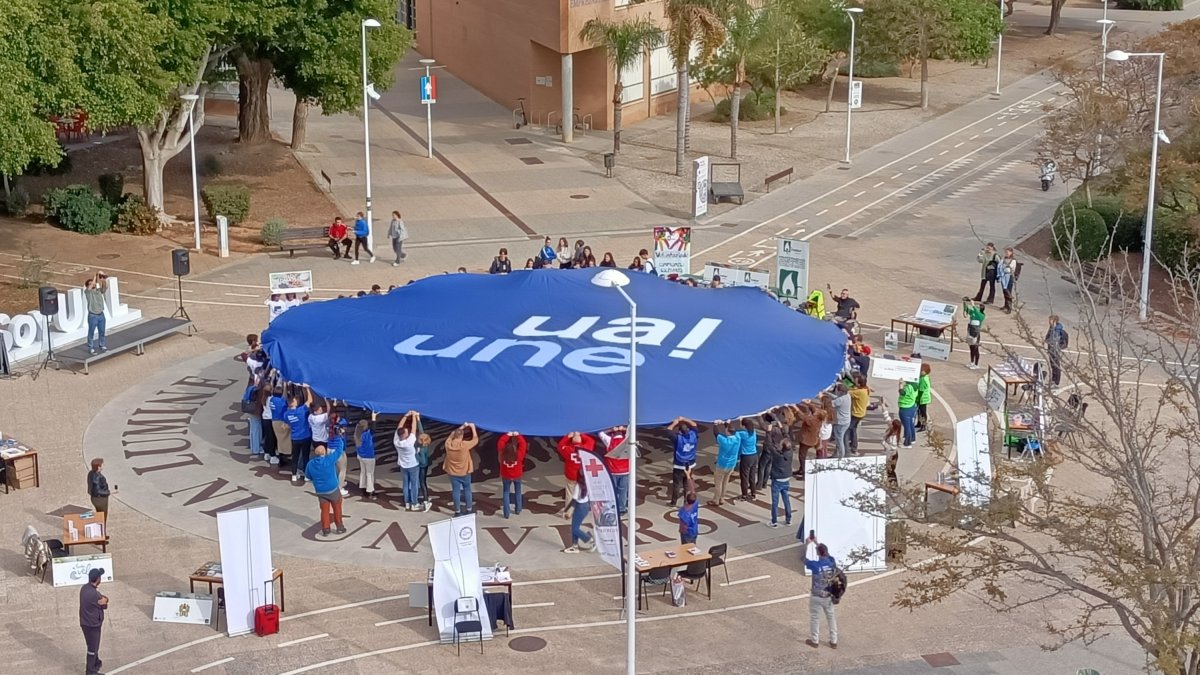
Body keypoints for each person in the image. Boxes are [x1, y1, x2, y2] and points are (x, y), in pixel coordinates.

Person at [804, 534, 839, 649]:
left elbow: (804, 560)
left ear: (818, 553)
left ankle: (815, 640)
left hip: (816, 595)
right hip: (828, 595)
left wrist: (808, 544)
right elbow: (826, 554)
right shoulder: (831, 561)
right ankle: (833, 640)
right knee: (831, 617)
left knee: (815, 617)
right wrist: (817, 543)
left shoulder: (815, 566)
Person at [305, 443, 346, 536]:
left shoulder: (310, 464)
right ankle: (339, 526)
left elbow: (308, 477)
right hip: (332, 489)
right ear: (324, 452)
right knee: (337, 508)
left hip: (320, 491)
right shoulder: (329, 460)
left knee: (324, 510)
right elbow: (339, 450)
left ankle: (326, 529)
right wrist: (339, 438)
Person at [394, 411, 428, 511]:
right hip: (413, 465)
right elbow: (414, 428)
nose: (408, 432)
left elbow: (399, 427)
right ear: (404, 435)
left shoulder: (396, 441)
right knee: (414, 484)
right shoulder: (410, 441)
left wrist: (405, 416)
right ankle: (414, 503)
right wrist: (413, 415)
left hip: (403, 465)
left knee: (405, 484)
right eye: (406, 432)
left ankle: (407, 502)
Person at [443, 422, 478, 515]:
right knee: (467, 489)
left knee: (456, 491)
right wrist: (472, 427)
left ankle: (457, 511)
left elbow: (451, 434)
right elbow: (475, 440)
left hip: (452, 472)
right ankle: (469, 509)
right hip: (464, 471)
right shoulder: (464, 445)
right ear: (462, 436)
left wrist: (463, 426)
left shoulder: (448, 444)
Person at [764, 423, 794, 528]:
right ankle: (788, 520)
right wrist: (783, 429)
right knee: (786, 500)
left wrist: (768, 431)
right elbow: (788, 439)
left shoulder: (777, 455)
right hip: (786, 478)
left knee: (775, 502)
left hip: (777, 480)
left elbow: (769, 444)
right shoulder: (790, 452)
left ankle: (774, 521)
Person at [80, 567, 109, 675]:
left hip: (85, 623)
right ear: (97, 579)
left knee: (92, 644)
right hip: (93, 625)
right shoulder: (94, 594)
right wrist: (106, 599)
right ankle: (90, 670)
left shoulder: (84, 589)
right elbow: (104, 604)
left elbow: (103, 598)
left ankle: (96, 662)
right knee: (93, 648)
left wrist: (104, 599)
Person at [666, 417, 698, 507]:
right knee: (687, 483)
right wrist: (684, 419)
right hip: (690, 464)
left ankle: (673, 502)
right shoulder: (693, 435)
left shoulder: (678, 439)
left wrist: (675, 422)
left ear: (680, 431)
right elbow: (694, 424)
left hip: (679, 465)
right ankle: (686, 500)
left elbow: (668, 431)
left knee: (676, 484)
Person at [556, 431, 593, 508]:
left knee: (569, 493)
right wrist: (581, 435)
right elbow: (591, 441)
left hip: (571, 475)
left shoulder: (568, 449)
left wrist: (567, 437)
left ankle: (568, 511)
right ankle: (582, 508)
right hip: (582, 475)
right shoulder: (586, 448)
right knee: (583, 492)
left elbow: (560, 446)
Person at [284, 387, 313, 484]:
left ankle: (293, 475)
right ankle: (306, 476)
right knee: (305, 457)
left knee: (295, 457)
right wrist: (307, 388)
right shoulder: (301, 410)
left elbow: (287, 424)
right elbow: (310, 400)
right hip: (305, 436)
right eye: (296, 400)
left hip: (295, 438)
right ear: (293, 403)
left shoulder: (287, 414)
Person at [598, 426, 629, 515]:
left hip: (613, 471)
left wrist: (610, 429)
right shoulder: (627, 441)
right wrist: (624, 429)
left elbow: (600, 433)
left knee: (611, 490)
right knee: (623, 491)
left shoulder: (609, 441)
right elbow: (632, 431)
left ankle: (610, 507)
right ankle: (622, 508)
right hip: (625, 470)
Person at [561, 475, 595, 553]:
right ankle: (574, 546)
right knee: (575, 526)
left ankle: (589, 540)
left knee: (575, 528)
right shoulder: (588, 483)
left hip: (580, 507)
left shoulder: (578, 486)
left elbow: (574, 500)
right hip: (586, 506)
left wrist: (566, 510)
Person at [709, 421, 741, 506]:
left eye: (726, 430)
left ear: (728, 432)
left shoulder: (724, 441)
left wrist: (715, 424)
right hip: (731, 465)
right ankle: (722, 498)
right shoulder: (738, 438)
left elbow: (716, 433)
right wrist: (727, 423)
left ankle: (716, 500)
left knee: (718, 483)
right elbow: (731, 430)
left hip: (722, 465)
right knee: (725, 482)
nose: (725, 431)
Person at [498, 431, 527, 518]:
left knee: (506, 493)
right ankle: (518, 509)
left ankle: (506, 514)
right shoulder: (518, 455)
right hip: (517, 476)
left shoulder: (502, 455)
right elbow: (523, 444)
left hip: (506, 476)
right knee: (518, 491)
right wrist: (518, 435)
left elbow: (500, 442)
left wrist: (507, 435)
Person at [84, 272, 108, 354]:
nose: (93, 284)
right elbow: (90, 288)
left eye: (93, 283)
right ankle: (90, 347)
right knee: (91, 332)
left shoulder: (98, 291)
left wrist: (103, 280)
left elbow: (105, 288)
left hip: (101, 315)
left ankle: (102, 345)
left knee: (102, 331)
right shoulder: (88, 292)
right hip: (92, 316)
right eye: (91, 284)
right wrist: (95, 277)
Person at [269, 387, 292, 471]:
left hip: (274, 421)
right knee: (287, 439)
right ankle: (287, 455)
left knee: (279, 439)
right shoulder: (282, 402)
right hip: (282, 422)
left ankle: (281, 457)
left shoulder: (272, 400)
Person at [736, 418, 759, 501]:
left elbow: (733, 433)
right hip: (754, 455)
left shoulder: (743, 434)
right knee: (752, 476)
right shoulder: (754, 432)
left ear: (744, 426)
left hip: (746, 457)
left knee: (744, 476)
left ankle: (744, 495)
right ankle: (753, 493)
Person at [847, 375, 871, 454]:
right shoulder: (865, 389)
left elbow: (848, 392)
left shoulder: (859, 392)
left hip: (856, 414)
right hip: (861, 413)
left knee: (848, 429)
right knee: (853, 429)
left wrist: (845, 383)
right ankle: (853, 445)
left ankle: (852, 447)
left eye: (856, 381)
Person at [962, 298, 985, 370]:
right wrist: (964, 303)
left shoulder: (981, 315)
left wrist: (973, 305)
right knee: (971, 348)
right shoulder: (974, 313)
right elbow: (967, 310)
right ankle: (972, 362)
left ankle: (976, 364)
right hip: (970, 331)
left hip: (976, 334)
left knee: (976, 349)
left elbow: (976, 312)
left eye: (978, 307)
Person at [358, 414, 378, 498]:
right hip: (369, 457)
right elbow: (373, 428)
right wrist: (373, 418)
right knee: (369, 474)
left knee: (363, 472)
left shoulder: (357, 434)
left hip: (360, 455)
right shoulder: (367, 434)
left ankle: (363, 488)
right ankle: (370, 491)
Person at [678, 471, 700, 545]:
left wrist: (681, 531)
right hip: (694, 529)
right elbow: (692, 489)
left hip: (687, 533)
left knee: (685, 549)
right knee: (693, 547)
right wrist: (688, 476)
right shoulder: (695, 503)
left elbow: (683, 525)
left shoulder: (683, 511)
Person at [1046, 314, 1068, 386]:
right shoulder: (1051, 329)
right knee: (1052, 366)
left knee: (1056, 366)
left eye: (1050, 320)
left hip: (1056, 350)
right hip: (1051, 350)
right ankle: (1053, 380)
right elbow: (1047, 338)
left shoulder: (1058, 330)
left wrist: (1058, 347)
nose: (1049, 322)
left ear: (1054, 321)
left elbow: (1059, 340)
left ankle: (1056, 382)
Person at [882, 409, 902, 489]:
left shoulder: (893, 437)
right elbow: (887, 417)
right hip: (891, 454)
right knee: (889, 472)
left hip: (892, 456)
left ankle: (894, 488)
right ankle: (891, 486)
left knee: (890, 472)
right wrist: (883, 406)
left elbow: (890, 448)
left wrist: (883, 442)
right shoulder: (892, 430)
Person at [831, 385, 852, 459]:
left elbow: (830, 404)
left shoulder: (840, 400)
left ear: (841, 391)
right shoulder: (847, 395)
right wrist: (826, 394)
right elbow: (836, 398)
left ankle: (840, 457)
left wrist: (822, 397)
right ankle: (837, 454)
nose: (836, 391)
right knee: (840, 438)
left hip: (840, 422)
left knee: (839, 440)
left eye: (837, 390)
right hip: (846, 421)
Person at [897, 378, 919, 448]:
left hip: (905, 408)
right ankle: (912, 438)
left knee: (907, 426)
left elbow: (902, 393)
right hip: (911, 406)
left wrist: (900, 385)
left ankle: (907, 443)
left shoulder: (908, 387)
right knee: (910, 424)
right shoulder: (915, 385)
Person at [999, 247, 1018, 313]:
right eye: (1006, 252)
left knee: (1008, 292)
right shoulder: (1003, 259)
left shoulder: (1013, 260)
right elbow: (1000, 266)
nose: (1006, 253)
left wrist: (1004, 267)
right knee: (1004, 291)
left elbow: (1009, 269)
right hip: (1003, 277)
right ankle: (1006, 305)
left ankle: (1009, 308)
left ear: (1011, 253)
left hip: (1009, 277)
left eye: (1008, 252)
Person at [416, 431, 433, 506]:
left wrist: (416, 455)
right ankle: (427, 496)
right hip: (426, 465)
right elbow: (421, 430)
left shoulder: (422, 449)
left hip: (422, 467)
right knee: (424, 482)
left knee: (422, 482)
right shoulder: (425, 445)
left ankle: (425, 499)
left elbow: (422, 461)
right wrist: (418, 420)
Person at [916, 363, 933, 431]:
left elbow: (921, 391)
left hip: (923, 398)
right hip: (921, 397)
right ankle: (919, 422)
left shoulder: (923, 379)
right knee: (919, 411)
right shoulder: (923, 377)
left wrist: (917, 399)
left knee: (922, 412)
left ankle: (923, 424)